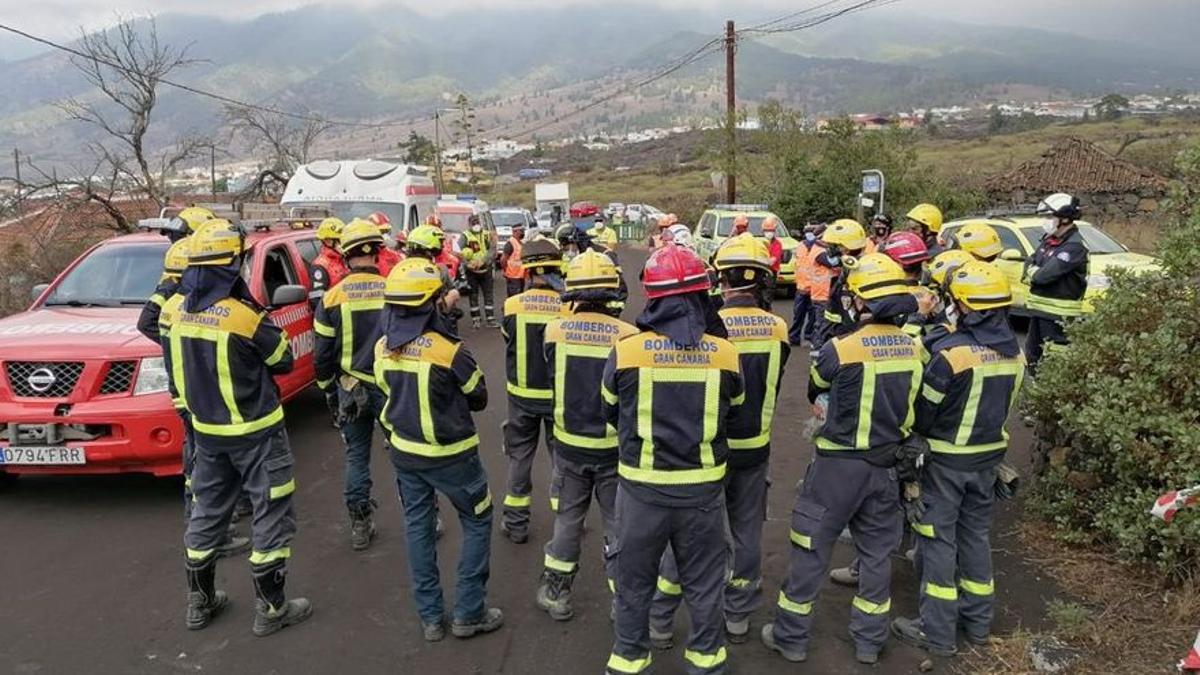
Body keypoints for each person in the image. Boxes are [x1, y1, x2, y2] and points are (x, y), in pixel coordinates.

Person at [761, 253, 923, 666]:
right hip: (887, 468)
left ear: (862, 303)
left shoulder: (840, 348)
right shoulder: (914, 349)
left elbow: (817, 389)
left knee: (811, 548)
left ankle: (791, 636)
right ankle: (869, 642)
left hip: (837, 468)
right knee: (875, 555)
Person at [604, 242, 743, 675]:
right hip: (702, 494)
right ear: (703, 295)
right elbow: (733, 412)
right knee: (704, 589)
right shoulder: (726, 354)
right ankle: (705, 666)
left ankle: (629, 661)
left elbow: (610, 408)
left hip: (641, 493)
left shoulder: (626, 350)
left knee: (632, 588)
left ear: (653, 297)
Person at [649, 236, 790, 648]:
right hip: (754, 448)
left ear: (719, 278)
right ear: (764, 279)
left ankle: (660, 619)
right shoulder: (779, 329)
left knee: (687, 538)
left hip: (707, 451)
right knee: (747, 534)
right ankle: (739, 616)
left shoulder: (706, 332)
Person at [172, 220, 311, 636]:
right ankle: (271, 609)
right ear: (229, 266)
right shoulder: (243, 317)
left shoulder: (178, 313)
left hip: (208, 436)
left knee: (207, 513)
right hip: (258, 434)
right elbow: (283, 360)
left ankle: (200, 601)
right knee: (270, 511)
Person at [891, 261, 1025, 656]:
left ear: (964, 307)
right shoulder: (1015, 355)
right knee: (976, 539)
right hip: (988, 464)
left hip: (945, 465)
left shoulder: (951, 356)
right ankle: (979, 625)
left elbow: (923, 412)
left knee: (937, 544)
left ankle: (937, 633)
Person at [375, 258, 501, 642]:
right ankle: (468, 612)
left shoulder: (383, 347)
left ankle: (431, 618)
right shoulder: (450, 351)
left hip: (406, 455)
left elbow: (385, 391)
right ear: (431, 303)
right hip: (455, 457)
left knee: (418, 529)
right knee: (478, 521)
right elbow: (478, 397)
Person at [535, 250, 638, 622]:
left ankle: (557, 592)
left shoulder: (553, 330)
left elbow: (551, 377)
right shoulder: (629, 336)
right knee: (616, 524)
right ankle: (621, 600)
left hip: (569, 444)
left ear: (571, 291)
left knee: (567, 519)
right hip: (614, 449)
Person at [143, 239, 252, 559]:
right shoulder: (180, 307)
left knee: (201, 465)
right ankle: (209, 532)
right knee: (201, 468)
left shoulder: (175, 310)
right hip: (198, 399)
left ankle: (208, 528)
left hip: (189, 395)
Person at [314, 219, 388, 551]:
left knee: (357, 456)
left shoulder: (331, 299)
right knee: (405, 457)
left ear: (346, 257)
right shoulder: (395, 290)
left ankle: (360, 525)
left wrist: (329, 389)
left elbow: (323, 355)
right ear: (378, 253)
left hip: (350, 388)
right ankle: (427, 518)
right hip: (391, 389)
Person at [500, 238, 565, 544]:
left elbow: (506, 338)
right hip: (556, 398)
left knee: (519, 459)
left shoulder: (512, 306)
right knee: (560, 460)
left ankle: (516, 523)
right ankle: (566, 517)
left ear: (527, 271)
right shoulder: (566, 308)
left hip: (522, 398)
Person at [1024, 193, 1088, 372]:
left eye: (1050, 216)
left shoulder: (1074, 247)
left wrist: (1034, 273)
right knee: (1032, 358)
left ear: (1065, 219)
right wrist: (1034, 271)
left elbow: (1042, 277)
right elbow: (1029, 263)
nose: (1046, 221)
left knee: (1054, 363)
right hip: (1039, 313)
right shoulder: (1049, 241)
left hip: (1058, 318)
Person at [811, 219, 871, 349]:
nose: (830, 249)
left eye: (834, 245)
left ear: (845, 248)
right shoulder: (850, 269)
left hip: (848, 342)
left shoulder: (857, 273)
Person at [789, 224, 825, 347]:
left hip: (813, 288)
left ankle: (809, 336)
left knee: (813, 317)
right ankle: (794, 337)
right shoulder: (800, 246)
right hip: (801, 287)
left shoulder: (819, 248)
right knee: (798, 315)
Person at [459, 214, 497, 329]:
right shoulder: (465, 236)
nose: (476, 224)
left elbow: (492, 249)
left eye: (477, 222)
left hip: (485, 269)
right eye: (473, 222)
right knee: (473, 294)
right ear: (469, 224)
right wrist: (467, 264)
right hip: (472, 271)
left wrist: (484, 261)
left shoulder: (486, 234)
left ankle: (490, 319)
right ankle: (476, 320)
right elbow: (459, 252)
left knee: (488, 294)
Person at [311, 217, 348, 306]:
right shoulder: (320, 266)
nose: (344, 243)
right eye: (340, 240)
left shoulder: (343, 259)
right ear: (328, 241)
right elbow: (317, 300)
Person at [500, 224, 526, 298]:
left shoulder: (520, 243)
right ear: (515, 232)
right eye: (521, 231)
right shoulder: (510, 244)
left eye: (523, 231)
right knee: (514, 297)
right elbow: (503, 260)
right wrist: (506, 270)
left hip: (520, 276)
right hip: (513, 276)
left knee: (519, 297)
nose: (523, 233)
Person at [762, 217, 784, 304]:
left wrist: (762, 261)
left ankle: (767, 309)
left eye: (771, 230)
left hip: (771, 272)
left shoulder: (777, 244)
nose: (769, 232)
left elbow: (773, 260)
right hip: (761, 271)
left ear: (774, 231)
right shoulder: (761, 242)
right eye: (767, 230)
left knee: (768, 295)